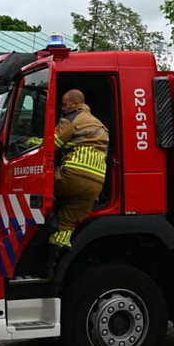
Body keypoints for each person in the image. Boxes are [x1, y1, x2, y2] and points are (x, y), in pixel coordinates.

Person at [49, 89, 109, 251]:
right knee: (67, 219)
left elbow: (50, 146)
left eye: (65, 104)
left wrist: (27, 142)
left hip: (73, 178)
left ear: (75, 104)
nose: (62, 108)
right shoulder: (100, 125)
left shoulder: (70, 120)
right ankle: (56, 251)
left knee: (41, 190)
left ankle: (49, 217)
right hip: (96, 186)